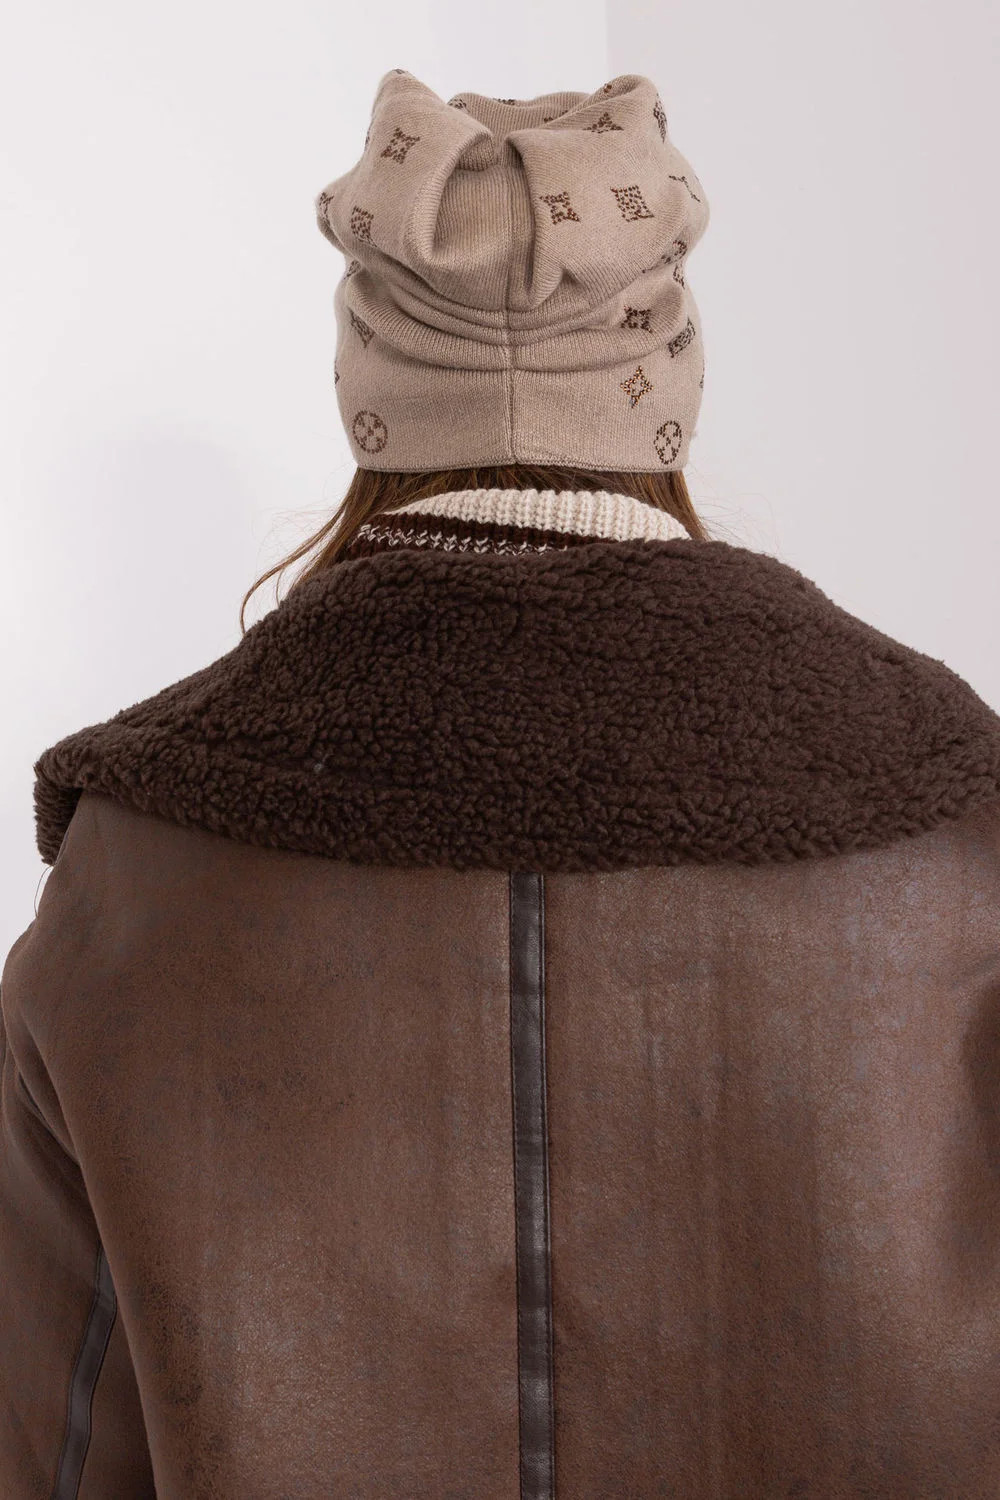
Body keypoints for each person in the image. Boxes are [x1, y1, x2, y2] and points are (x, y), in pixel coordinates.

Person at [3, 64, 1000, 1500]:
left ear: (368, 391)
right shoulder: (952, 841)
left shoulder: (132, 878)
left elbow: (51, 1457)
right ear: (667, 381)